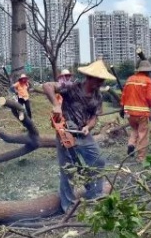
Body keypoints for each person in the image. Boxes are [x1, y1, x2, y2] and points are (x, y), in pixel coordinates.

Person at [43, 60, 115, 213]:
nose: (101, 82)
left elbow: (95, 117)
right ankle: (67, 206)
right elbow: (47, 86)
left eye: (102, 80)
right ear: (90, 77)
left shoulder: (97, 96)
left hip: (83, 133)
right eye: (99, 79)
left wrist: (88, 127)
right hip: (66, 132)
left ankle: (94, 195)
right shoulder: (71, 87)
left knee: (98, 161)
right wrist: (56, 105)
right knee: (68, 169)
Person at [119, 60, 151, 161]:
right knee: (143, 134)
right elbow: (150, 97)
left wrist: (122, 107)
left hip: (129, 112)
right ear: (148, 71)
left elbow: (123, 95)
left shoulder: (129, 79)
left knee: (134, 130)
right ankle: (141, 158)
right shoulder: (148, 81)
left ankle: (131, 144)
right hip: (142, 113)